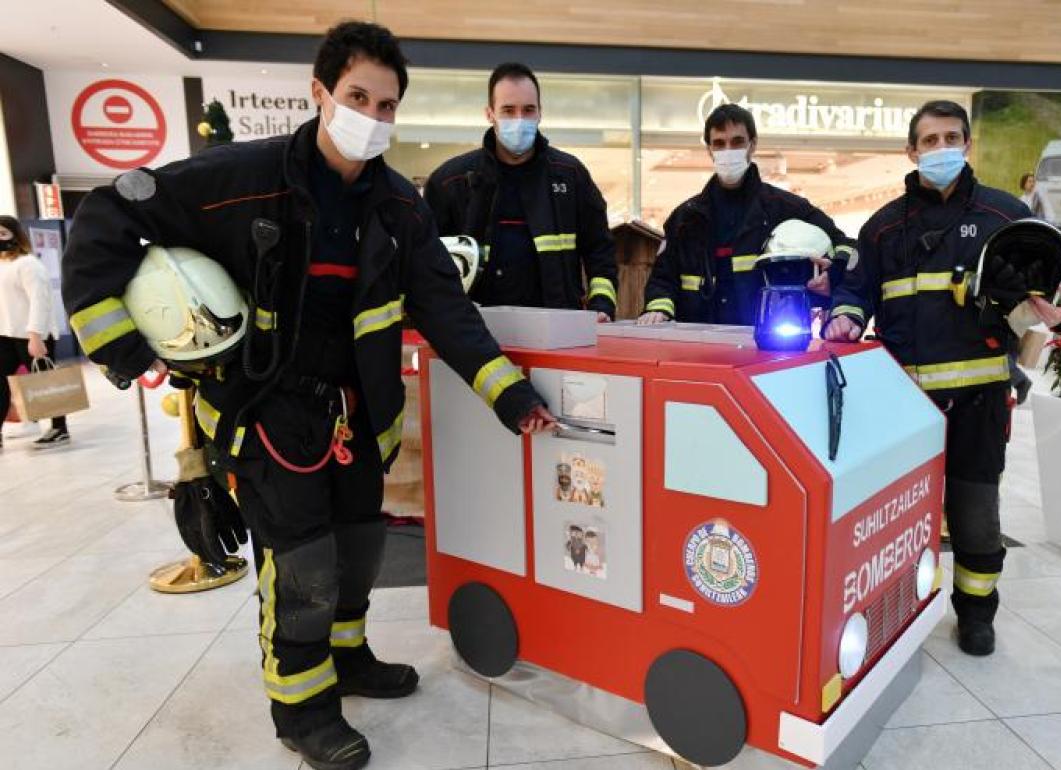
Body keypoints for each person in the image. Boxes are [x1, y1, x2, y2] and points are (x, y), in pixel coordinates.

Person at [61, 22, 554, 770]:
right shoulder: (242, 177)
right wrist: (126, 348)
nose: (373, 117)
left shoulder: (398, 206)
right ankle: (302, 708)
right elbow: (107, 214)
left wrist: (511, 396)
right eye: (358, 97)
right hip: (266, 415)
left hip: (357, 417)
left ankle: (348, 659)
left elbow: (444, 307)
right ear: (320, 92)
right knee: (303, 569)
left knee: (358, 551)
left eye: (388, 106)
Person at [821, 101, 1061, 657]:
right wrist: (845, 315)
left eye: (951, 137)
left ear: (966, 145)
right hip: (901, 411)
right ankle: (891, 613)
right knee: (890, 520)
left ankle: (975, 614)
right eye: (929, 139)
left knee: (975, 516)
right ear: (911, 150)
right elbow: (855, 290)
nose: (940, 148)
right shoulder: (883, 227)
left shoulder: (1005, 216)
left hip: (978, 404)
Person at [425, 63, 618, 321]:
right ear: (490, 113)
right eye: (508, 110)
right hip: (474, 334)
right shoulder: (450, 182)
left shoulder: (571, 176)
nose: (519, 120)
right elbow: (426, 263)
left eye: (528, 110)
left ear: (540, 113)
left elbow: (600, 250)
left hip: (557, 331)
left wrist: (602, 305)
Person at [638, 104, 855, 326]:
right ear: (709, 150)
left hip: (762, 342)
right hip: (698, 344)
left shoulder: (784, 208)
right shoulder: (685, 218)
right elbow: (662, 278)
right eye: (719, 144)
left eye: (737, 142)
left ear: (753, 144)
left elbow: (846, 245)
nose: (728, 151)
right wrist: (658, 308)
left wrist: (834, 273)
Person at [0, 215, 70, 450]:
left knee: (46, 382)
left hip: (32, 333)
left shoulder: (29, 264)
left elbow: (40, 301)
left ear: (15, 236)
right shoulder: (2, 264)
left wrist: (35, 336)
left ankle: (59, 428)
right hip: (6, 334)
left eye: (3, 234)